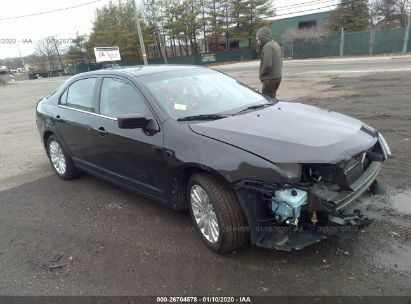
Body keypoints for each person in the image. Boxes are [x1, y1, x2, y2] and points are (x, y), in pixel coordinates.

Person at [256, 26, 283, 98]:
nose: (258, 42)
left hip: (269, 79)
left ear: (263, 37)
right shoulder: (276, 44)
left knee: (267, 101)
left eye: (259, 39)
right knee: (272, 98)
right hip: (277, 77)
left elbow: (267, 65)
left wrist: (262, 75)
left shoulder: (267, 46)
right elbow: (281, 62)